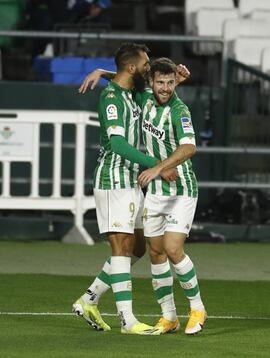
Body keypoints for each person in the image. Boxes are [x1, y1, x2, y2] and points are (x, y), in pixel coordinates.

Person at [78, 57, 206, 335]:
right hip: (156, 190)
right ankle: (169, 316)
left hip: (181, 189)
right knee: (156, 253)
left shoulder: (179, 110)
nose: (165, 88)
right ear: (151, 82)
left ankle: (197, 308)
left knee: (172, 249)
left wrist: (159, 167)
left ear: (176, 82)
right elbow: (126, 75)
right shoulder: (144, 96)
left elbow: (190, 148)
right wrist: (102, 73)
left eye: (171, 82)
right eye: (160, 82)